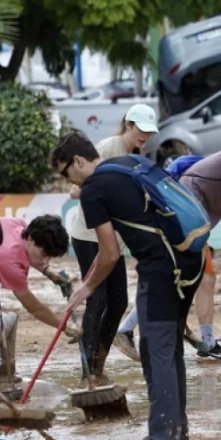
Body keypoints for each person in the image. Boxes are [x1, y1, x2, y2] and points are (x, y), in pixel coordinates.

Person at [53, 130, 203, 440]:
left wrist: (87, 288)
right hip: (191, 259)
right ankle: (180, 434)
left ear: (77, 161)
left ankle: (163, 439)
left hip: (162, 268)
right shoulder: (130, 162)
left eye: (66, 173)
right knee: (170, 345)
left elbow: (108, 254)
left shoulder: (93, 190)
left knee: (155, 349)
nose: (70, 182)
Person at [115, 128, 221, 363]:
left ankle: (207, 343)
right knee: (170, 282)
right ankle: (126, 329)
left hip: (192, 231)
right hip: (183, 227)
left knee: (204, 280)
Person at [67, 104, 159, 369]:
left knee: (119, 301)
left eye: (149, 132)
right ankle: (87, 372)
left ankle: (99, 364)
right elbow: (75, 190)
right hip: (88, 235)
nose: (145, 136)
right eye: (140, 130)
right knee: (97, 298)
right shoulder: (106, 149)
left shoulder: (139, 156)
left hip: (114, 241)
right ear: (127, 125)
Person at [0, 215, 79, 392]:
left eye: (50, 258)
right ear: (30, 239)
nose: (45, 261)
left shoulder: (19, 225)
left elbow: (32, 256)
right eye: (44, 255)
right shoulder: (11, 263)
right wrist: (64, 326)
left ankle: (4, 378)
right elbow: (35, 308)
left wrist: (48, 272)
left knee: (10, 320)